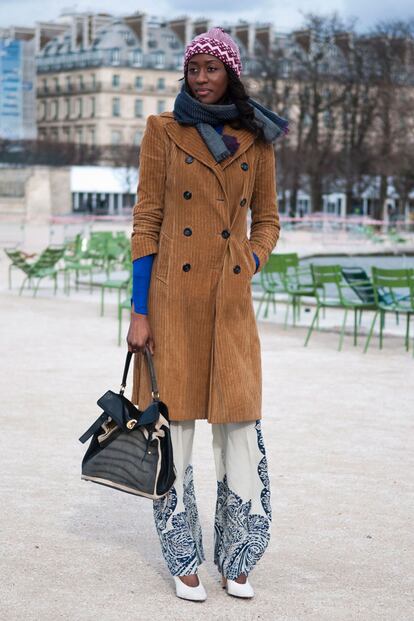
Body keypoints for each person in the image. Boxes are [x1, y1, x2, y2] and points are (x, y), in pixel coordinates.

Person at [127, 27, 288, 602]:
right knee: (177, 430)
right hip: (172, 302)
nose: (199, 76)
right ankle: (182, 556)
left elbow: (268, 218)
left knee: (239, 426)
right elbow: (146, 221)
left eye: (210, 68)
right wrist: (137, 308)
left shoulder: (258, 138)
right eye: (192, 68)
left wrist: (251, 257)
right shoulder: (162, 132)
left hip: (231, 302)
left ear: (231, 74)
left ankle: (240, 555)